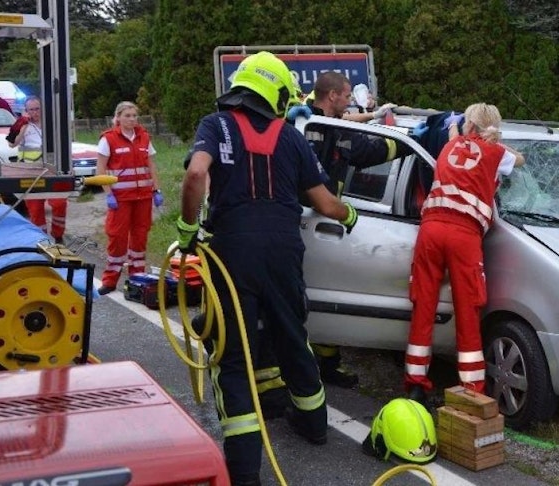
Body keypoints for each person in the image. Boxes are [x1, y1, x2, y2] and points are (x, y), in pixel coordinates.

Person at [177, 51, 358, 486]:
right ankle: (314, 426)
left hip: (231, 252)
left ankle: (244, 471)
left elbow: (195, 175)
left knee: (233, 354)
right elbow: (326, 203)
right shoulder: (292, 137)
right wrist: (349, 216)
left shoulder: (214, 125)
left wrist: (186, 229)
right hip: (282, 249)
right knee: (292, 333)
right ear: (275, 92)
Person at [288, 71, 408, 388]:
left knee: (325, 287)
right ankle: (288, 360)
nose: (348, 101)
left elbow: (369, 152)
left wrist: (409, 143)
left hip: (325, 224)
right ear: (332, 96)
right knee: (291, 294)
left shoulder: (339, 128)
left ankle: (327, 363)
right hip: (294, 223)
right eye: (345, 96)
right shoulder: (302, 124)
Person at [404, 103, 524, 406]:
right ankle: (472, 391)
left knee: (423, 305)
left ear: (466, 124)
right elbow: (521, 161)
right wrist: (495, 140)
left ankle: (416, 384)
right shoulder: (498, 154)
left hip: (430, 230)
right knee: (468, 310)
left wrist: (460, 126)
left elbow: (454, 130)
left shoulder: (452, 142)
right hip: (463, 235)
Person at [96, 102, 162, 295]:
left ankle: (137, 277)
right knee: (117, 237)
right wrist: (109, 194)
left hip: (143, 197)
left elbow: (151, 166)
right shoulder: (108, 139)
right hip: (120, 199)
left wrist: (157, 190)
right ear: (118, 117)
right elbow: (100, 169)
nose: (132, 119)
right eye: (128, 115)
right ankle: (110, 280)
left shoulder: (144, 137)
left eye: (134, 115)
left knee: (140, 237)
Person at [8, 96, 68, 243]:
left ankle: (58, 235)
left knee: (60, 203)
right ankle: (41, 240)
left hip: (52, 172)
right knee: (36, 210)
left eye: (37, 109)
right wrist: (22, 125)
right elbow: (12, 144)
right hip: (30, 172)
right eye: (31, 110)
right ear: (26, 111)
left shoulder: (51, 124)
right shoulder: (23, 125)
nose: (35, 112)